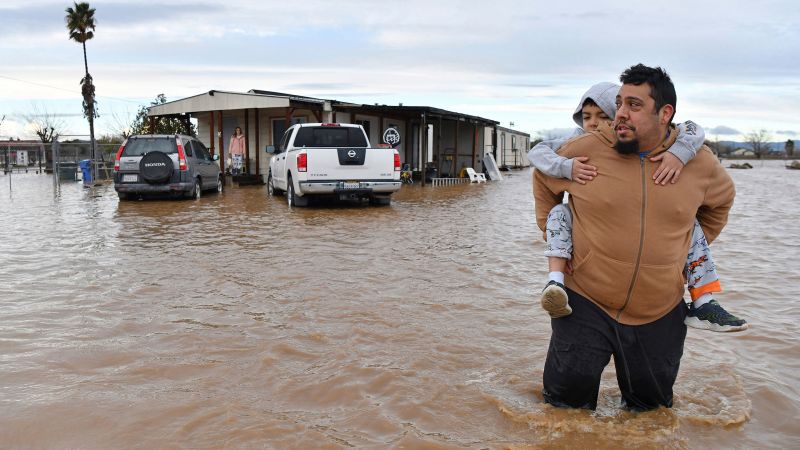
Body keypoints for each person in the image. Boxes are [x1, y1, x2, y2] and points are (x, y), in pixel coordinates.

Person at [532, 64, 736, 410]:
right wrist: (563, 243)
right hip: (584, 303)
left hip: (660, 311)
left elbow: (721, 202)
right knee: (563, 414)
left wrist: (676, 253)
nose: (620, 115)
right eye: (620, 103)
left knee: (650, 415)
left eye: (634, 105)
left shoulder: (698, 163)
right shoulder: (587, 150)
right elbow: (543, 178)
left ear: (665, 113)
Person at [528, 82, 747, 332]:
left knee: (691, 224)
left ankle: (703, 302)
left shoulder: (683, 151)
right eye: (586, 117)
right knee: (559, 213)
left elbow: (693, 131)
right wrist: (565, 169)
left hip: (660, 305)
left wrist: (680, 153)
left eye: (603, 116)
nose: (594, 124)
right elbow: (539, 161)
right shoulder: (579, 147)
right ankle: (555, 281)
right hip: (586, 296)